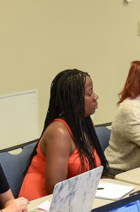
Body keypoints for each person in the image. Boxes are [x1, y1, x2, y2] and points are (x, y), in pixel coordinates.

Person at [18, 69, 108, 200]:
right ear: (74, 100)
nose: (95, 96)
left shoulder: (86, 125)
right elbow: (55, 190)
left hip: (75, 200)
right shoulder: (59, 132)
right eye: (89, 93)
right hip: (41, 205)